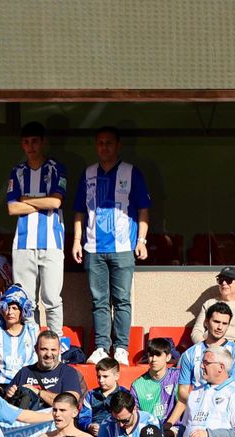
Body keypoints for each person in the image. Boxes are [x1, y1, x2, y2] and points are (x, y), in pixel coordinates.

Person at [72, 126, 150, 362]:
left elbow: (144, 210)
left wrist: (142, 241)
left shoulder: (131, 172)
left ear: (118, 146)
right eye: (100, 143)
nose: (104, 147)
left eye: (108, 143)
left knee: (122, 299)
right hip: (94, 248)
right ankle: (101, 347)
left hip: (123, 247)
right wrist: (77, 240)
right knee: (99, 301)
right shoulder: (88, 174)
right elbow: (79, 211)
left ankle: (122, 348)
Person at [5, 122, 66, 336]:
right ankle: (31, 341)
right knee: (26, 300)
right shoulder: (18, 171)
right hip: (23, 243)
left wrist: (27, 200)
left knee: (52, 298)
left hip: (52, 243)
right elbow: (12, 208)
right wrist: (42, 200)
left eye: (34, 141)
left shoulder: (56, 168)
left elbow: (56, 203)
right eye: (26, 142)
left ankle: (56, 342)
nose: (30, 146)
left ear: (43, 142)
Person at [189, 268, 235, 350]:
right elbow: (197, 331)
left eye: (229, 280)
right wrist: (206, 346)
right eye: (220, 280)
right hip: (210, 348)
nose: (224, 283)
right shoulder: (209, 304)